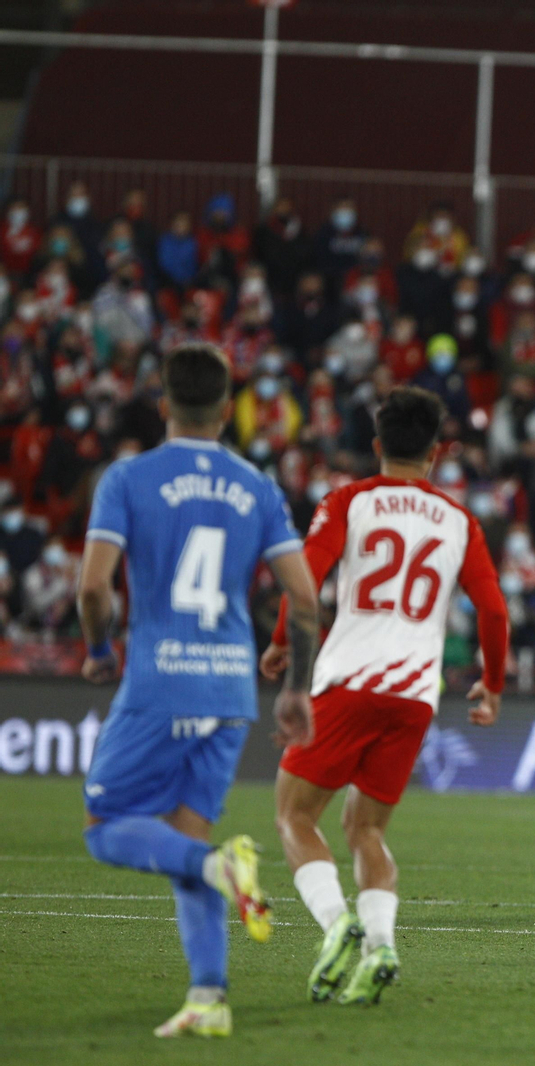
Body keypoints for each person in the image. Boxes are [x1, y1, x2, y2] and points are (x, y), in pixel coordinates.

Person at [76, 343, 322, 1037]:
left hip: (158, 683)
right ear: (226, 411)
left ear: (164, 405)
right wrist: (296, 688)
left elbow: (93, 585)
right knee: (189, 839)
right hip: (228, 691)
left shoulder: (128, 478)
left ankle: (220, 867)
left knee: (105, 832)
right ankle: (209, 999)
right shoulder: (258, 485)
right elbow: (304, 600)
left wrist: (98, 649)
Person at [262, 386, 509, 1005]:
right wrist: (493, 683)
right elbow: (495, 611)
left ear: (375, 446)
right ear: (437, 452)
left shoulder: (349, 500)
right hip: (414, 697)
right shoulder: (460, 520)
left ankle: (335, 923)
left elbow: (305, 582)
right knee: (365, 828)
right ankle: (380, 946)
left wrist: (282, 646)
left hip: (348, 680)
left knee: (295, 814)